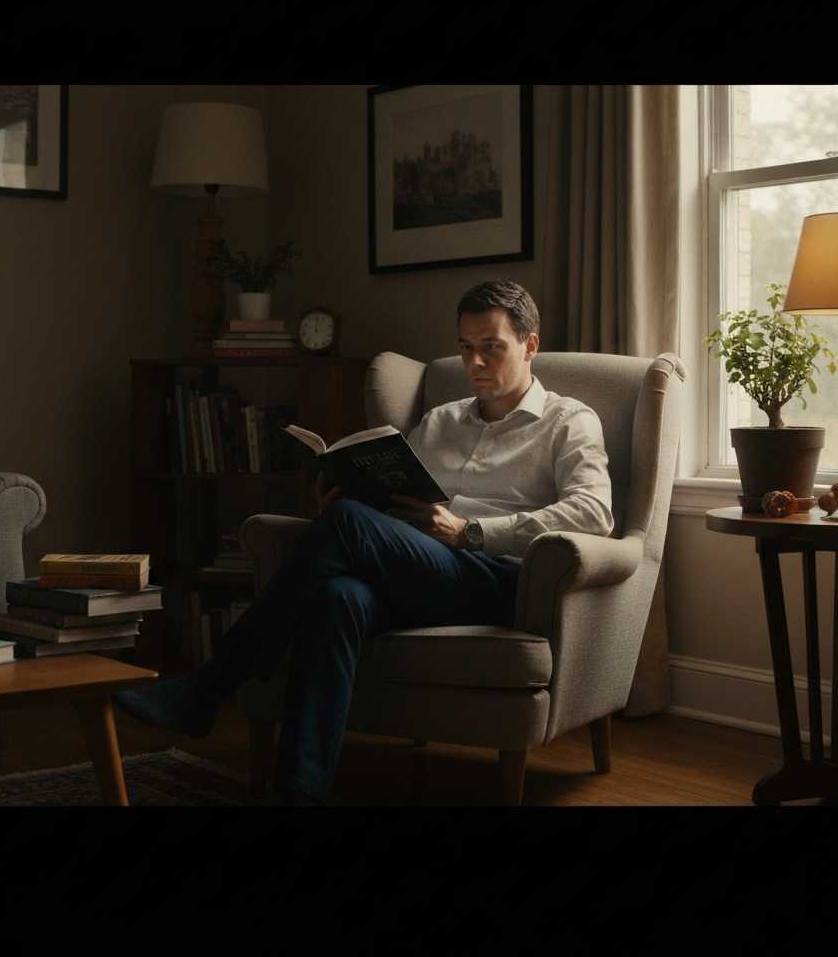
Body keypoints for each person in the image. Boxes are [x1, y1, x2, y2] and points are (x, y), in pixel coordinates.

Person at [113, 280, 614, 804]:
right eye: (466, 347)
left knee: (349, 526)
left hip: (501, 581)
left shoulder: (569, 420)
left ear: (529, 346)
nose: (475, 362)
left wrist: (471, 531)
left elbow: (594, 512)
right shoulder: (440, 421)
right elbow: (398, 499)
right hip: (420, 573)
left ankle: (209, 685)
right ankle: (299, 792)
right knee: (337, 597)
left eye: (492, 346)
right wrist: (348, 493)